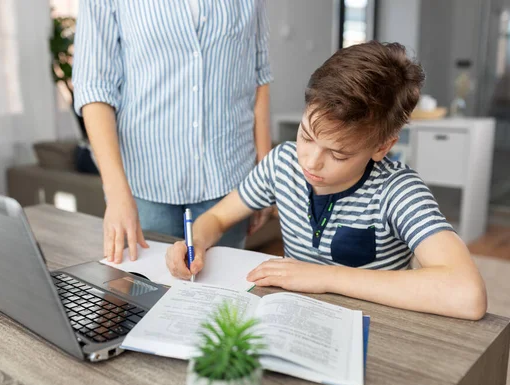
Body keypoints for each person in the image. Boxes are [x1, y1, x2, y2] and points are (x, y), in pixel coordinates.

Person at [165, 41, 487, 320]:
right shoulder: (282, 164)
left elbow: (467, 293)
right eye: (306, 136)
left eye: (338, 154)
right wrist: (194, 243)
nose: (310, 161)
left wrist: (326, 277)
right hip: (293, 317)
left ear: (382, 146)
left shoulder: (398, 191)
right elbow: (219, 216)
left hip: (381, 332)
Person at [72, 0, 273, 264]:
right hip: (142, 189)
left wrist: (263, 174)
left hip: (229, 178)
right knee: (146, 299)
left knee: (221, 301)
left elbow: (260, 76)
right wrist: (117, 193)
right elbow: (94, 89)